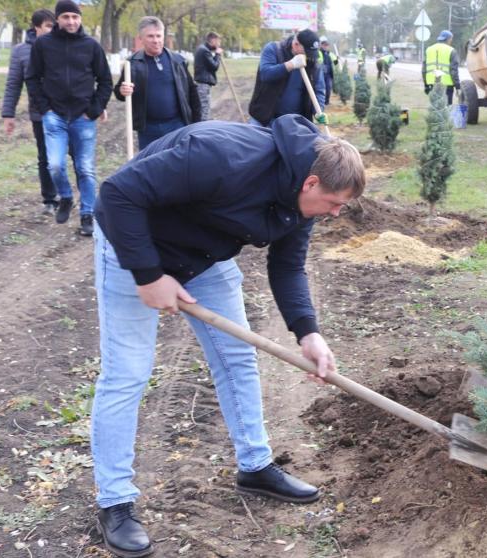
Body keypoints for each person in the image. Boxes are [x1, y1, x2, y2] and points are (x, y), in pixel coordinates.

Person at [90, 115, 365, 557]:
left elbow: (288, 266)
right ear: (311, 182)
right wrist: (148, 275)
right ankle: (115, 502)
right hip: (133, 242)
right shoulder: (220, 157)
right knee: (128, 373)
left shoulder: (303, 199)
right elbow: (117, 194)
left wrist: (308, 333)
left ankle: (255, 466)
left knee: (237, 358)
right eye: (333, 203)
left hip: (204, 255)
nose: (336, 214)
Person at [25, 0, 112, 237]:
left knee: (85, 168)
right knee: (54, 164)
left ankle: (87, 214)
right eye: (66, 17)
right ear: (57, 20)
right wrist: (45, 109)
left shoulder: (91, 46)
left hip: (83, 117)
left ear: (80, 19)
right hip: (55, 116)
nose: (71, 21)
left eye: (75, 17)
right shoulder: (43, 45)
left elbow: (105, 81)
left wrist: (93, 110)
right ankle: (65, 197)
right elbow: (32, 77)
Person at [1, 8, 58, 216]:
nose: (53, 30)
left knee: (72, 155)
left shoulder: (63, 45)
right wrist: (8, 114)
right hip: (40, 113)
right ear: (36, 27)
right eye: (48, 26)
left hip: (68, 111)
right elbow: (13, 84)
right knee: (46, 157)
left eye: (55, 26)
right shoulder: (21, 51)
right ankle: (50, 199)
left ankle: (77, 199)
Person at [114, 16, 201, 150]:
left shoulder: (178, 61)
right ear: (141, 38)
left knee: (177, 165)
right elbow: (120, 92)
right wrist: (122, 91)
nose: (156, 40)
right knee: (150, 166)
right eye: (150, 36)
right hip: (148, 129)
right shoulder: (132, 64)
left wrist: (197, 123)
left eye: (158, 36)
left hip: (177, 125)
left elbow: (192, 92)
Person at [248, 29, 326, 127]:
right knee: (256, 142)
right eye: (306, 51)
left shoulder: (312, 61)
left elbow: (319, 89)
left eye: (312, 52)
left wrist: (318, 111)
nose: (309, 56)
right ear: (296, 44)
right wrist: (290, 65)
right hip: (264, 119)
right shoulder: (274, 49)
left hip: (294, 123)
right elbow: (265, 74)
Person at [422, 30, 460, 105]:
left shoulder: (429, 49)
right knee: (446, 109)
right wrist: (457, 87)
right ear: (448, 39)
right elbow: (454, 71)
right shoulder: (451, 51)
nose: (451, 41)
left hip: (432, 84)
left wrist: (426, 85)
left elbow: (424, 70)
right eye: (451, 39)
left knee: (434, 108)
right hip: (446, 85)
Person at [193, 31, 223, 120]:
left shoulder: (203, 49)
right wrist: (217, 54)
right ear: (213, 40)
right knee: (204, 109)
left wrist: (215, 52)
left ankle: (204, 125)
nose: (219, 44)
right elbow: (214, 66)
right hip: (203, 85)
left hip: (203, 84)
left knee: (204, 108)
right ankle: (202, 128)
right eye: (218, 41)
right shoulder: (204, 51)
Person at [319, 36, 338, 106]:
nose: (325, 46)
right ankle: (320, 102)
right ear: (320, 45)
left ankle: (326, 102)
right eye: (324, 45)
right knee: (320, 88)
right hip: (320, 74)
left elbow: (336, 62)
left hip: (328, 75)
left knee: (328, 87)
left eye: (326, 45)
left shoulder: (330, 54)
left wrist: (337, 59)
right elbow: (318, 62)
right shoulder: (318, 53)